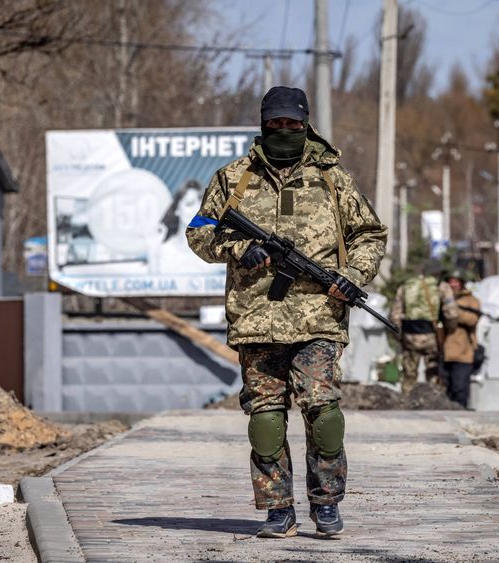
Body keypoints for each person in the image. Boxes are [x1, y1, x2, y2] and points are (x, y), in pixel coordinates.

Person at [186, 86, 387, 539]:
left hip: (320, 316)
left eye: (291, 125)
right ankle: (278, 510)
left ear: (305, 124)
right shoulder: (232, 178)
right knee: (266, 419)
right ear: (263, 124)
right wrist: (242, 248)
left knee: (324, 413)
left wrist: (353, 275)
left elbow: (370, 234)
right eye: (274, 124)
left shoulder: (333, 178)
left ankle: (326, 502)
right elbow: (198, 232)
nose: (283, 131)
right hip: (256, 319)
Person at [389, 259, 456, 395]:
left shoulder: (406, 286)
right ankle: (433, 400)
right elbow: (451, 313)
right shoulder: (442, 287)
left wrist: (399, 336)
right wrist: (449, 331)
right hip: (432, 336)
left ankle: (406, 400)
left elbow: (395, 316)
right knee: (434, 372)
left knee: (409, 374)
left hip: (409, 336)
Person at [441, 269, 481, 408]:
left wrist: (453, 311)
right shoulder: (441, 299)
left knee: (460, 388)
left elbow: (472, 319)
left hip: (463, 352)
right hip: (443, 351)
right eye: (450, 282)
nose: (453, 285)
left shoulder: (471, 300)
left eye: (456, 282)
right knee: (445, 389)